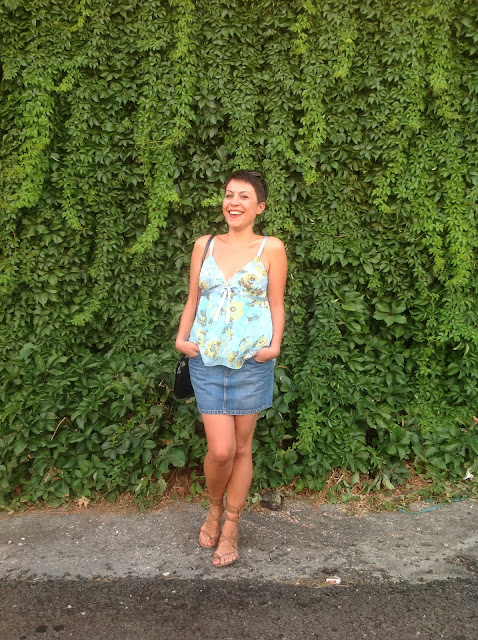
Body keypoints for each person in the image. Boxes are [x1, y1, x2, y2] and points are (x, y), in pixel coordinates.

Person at [175, 169, 287, 567]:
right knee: (220, 450)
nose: (234, 202)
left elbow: (276, 302)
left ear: (260, 207)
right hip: (206, 360)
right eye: (229, 194)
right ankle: (214, 508)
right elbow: (193, 298)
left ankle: (232, 525)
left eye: (243, 196)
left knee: (242, 448)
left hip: (251, 363)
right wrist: (181, 338)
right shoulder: (204, 245)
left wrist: (274, 346)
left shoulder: (271, 248)